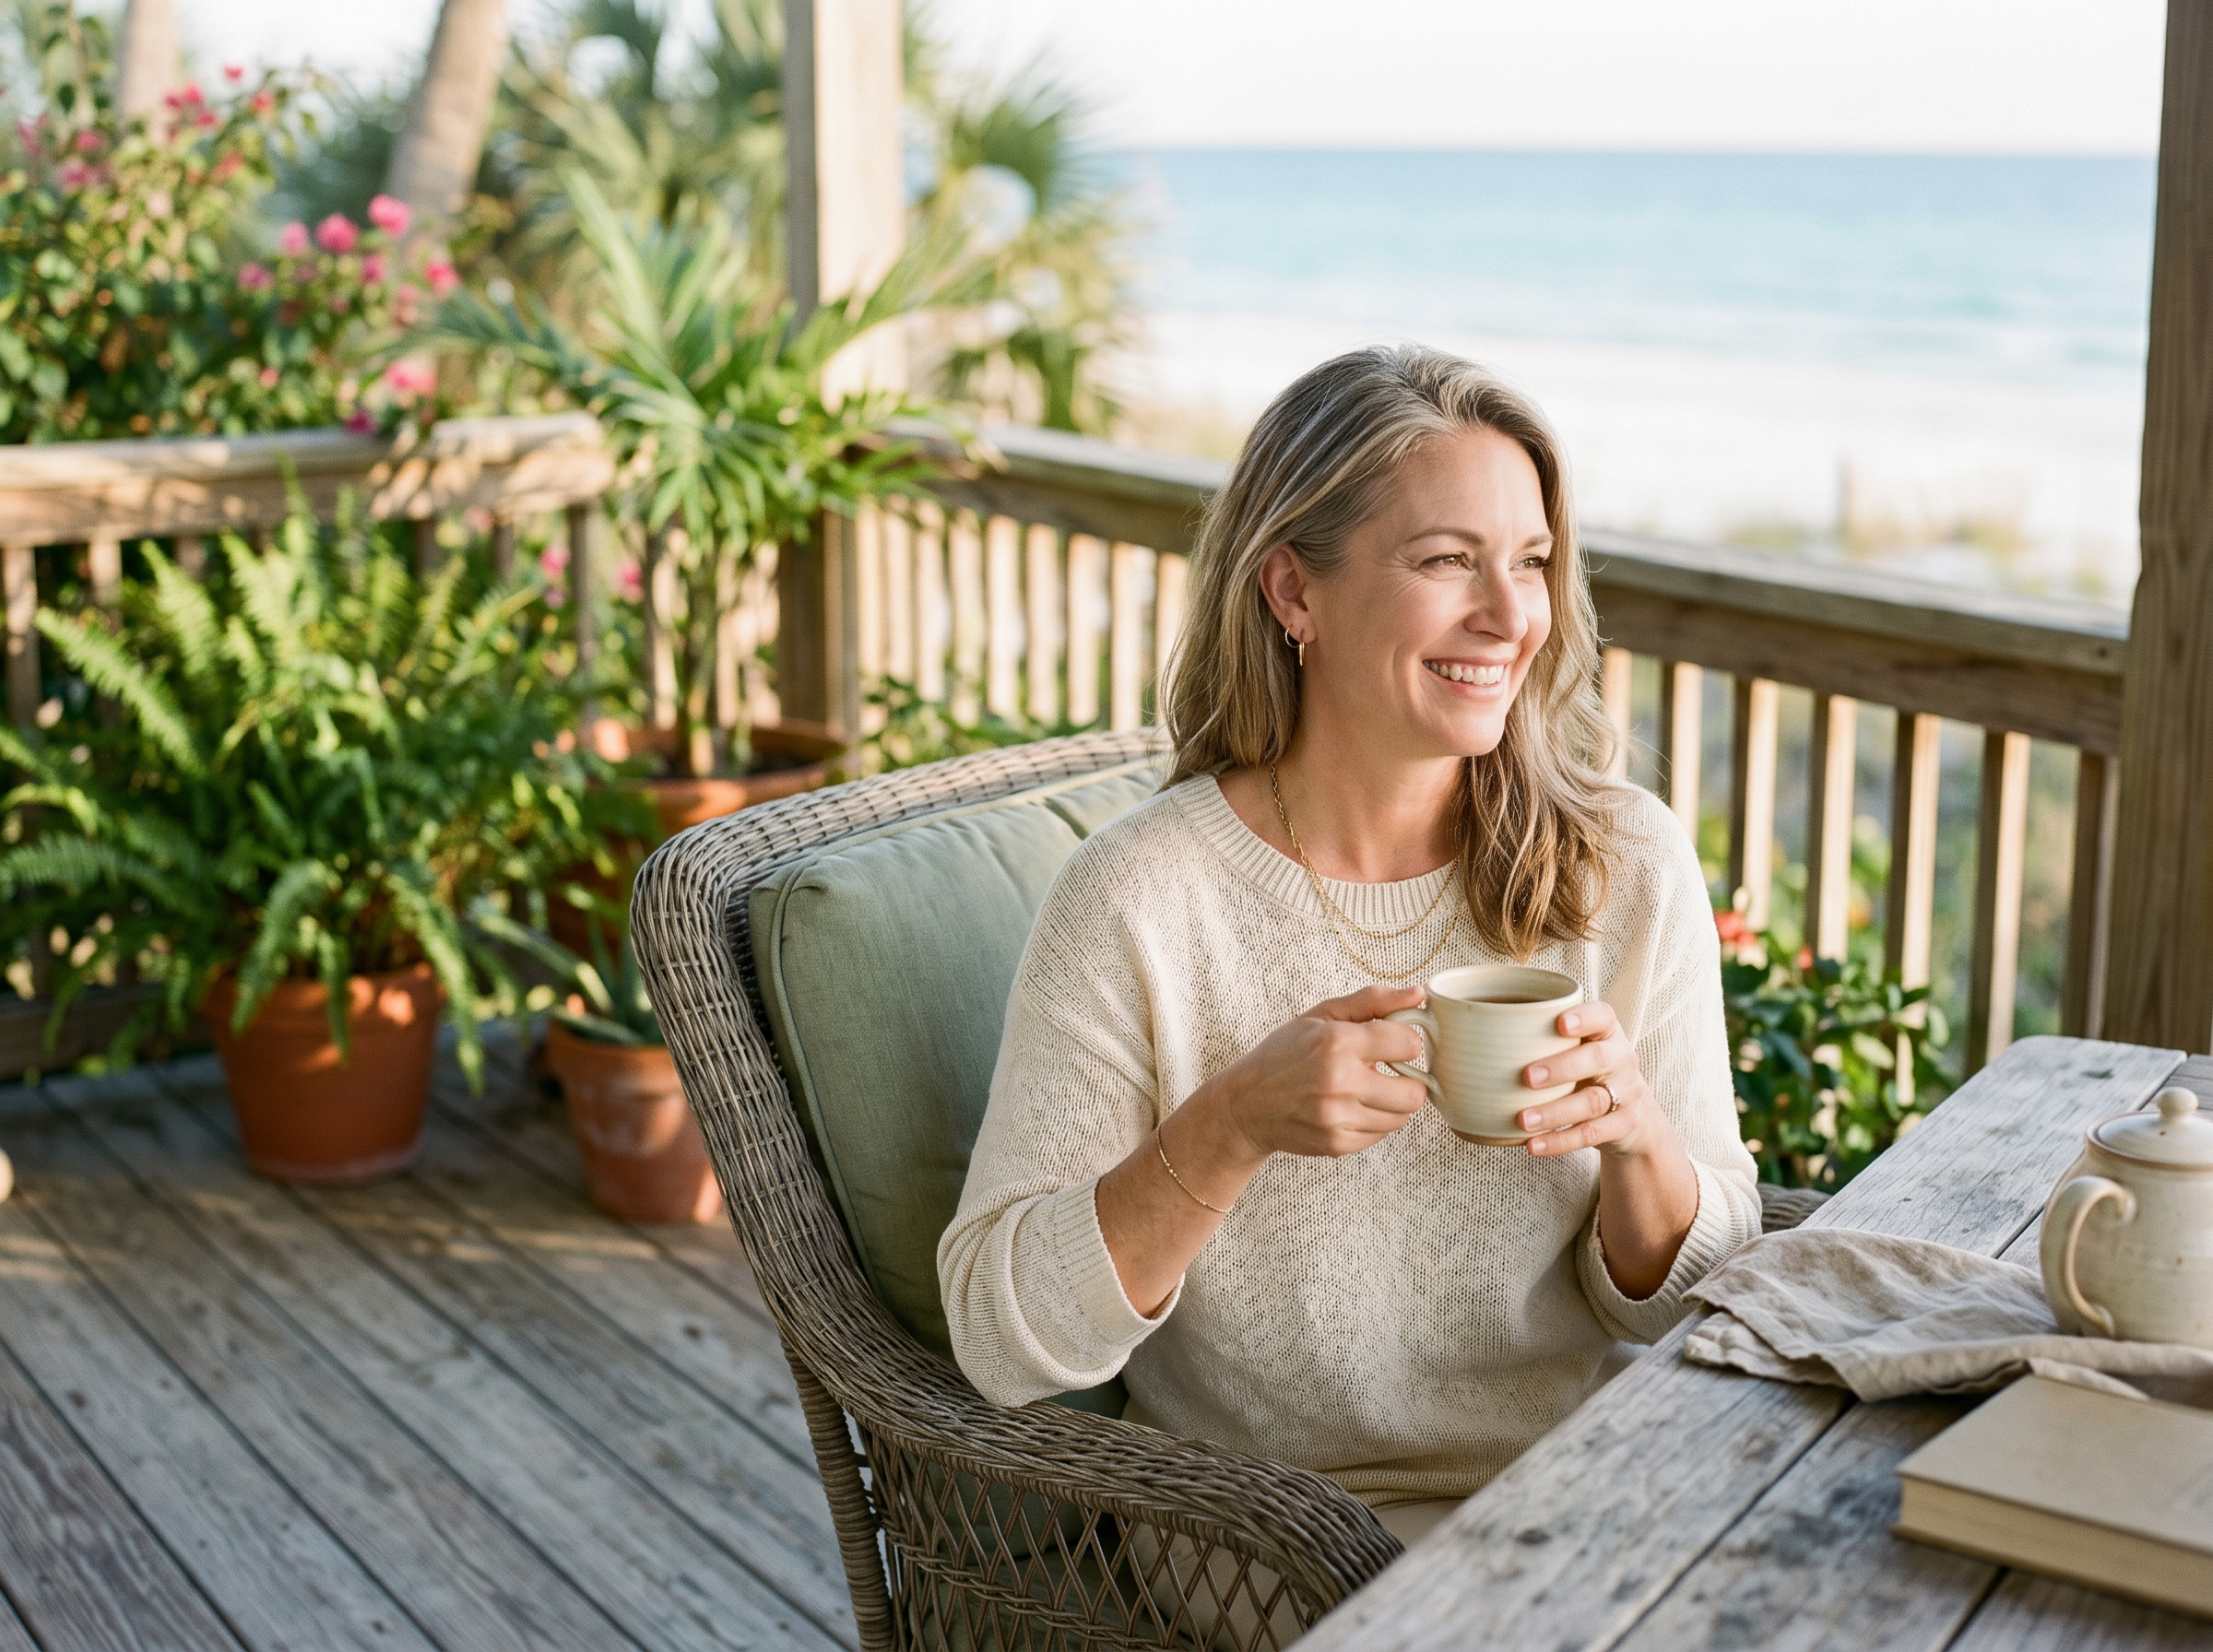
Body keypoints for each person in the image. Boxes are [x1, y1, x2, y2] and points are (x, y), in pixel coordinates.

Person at [937, 344, 1760, 1556]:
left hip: (1587, 1509)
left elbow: (1703, 1295)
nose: (1509, 616)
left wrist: (1639, 1139)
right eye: (1445, 562)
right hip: (1269, 1546)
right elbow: (1001, 1336)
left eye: (1530, 563)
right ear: (1293, 593)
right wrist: (1227, 1130)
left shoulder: (1620, 861)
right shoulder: (1141, 895)